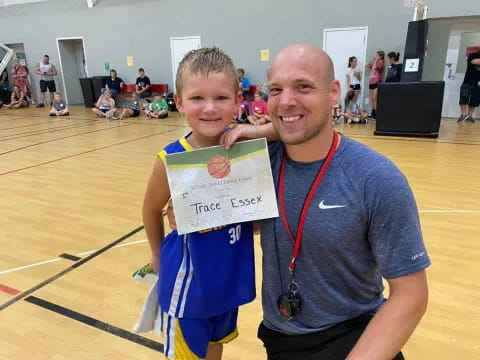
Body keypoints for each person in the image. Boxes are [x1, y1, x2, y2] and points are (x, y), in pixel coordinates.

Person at [217, 44, 430, 360]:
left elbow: (412, 294)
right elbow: (251, 223)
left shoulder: (376, 177)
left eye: (303, 87)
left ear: (333, 92)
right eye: (276, 90)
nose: (287, 100)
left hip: (356, 339)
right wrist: (196, 216)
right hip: (280, 340)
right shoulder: (258, 164)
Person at [142, 47, 255, 360]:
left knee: (215, 346)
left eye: (221, 98)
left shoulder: (247, 152)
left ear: (237, 100)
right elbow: (151, 209)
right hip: (188, 286)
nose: (210, 108)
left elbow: (255, 218)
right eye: (197, 98)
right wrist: (155, 253)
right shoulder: (170, 160)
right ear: (178, 102)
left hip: (228, 279)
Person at [457, 47, 480, 123]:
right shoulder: (472, 55)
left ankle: (469, 116)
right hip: (467, 82)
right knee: (463, 99)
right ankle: (463, 114)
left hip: (477, 84)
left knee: (474, 101)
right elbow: (474, 62)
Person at [366, 51, 385, 119]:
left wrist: (376, 61)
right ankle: (373, 112)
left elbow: (379, 68)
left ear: (380, 56)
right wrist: (373, 60)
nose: (376, 56)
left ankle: (377, 113)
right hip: (371, 81)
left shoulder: (380, 62)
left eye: (377, 55)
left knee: (375, 98)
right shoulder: (375, 62)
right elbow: (367, 65)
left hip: (377, 81)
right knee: (372, 99)